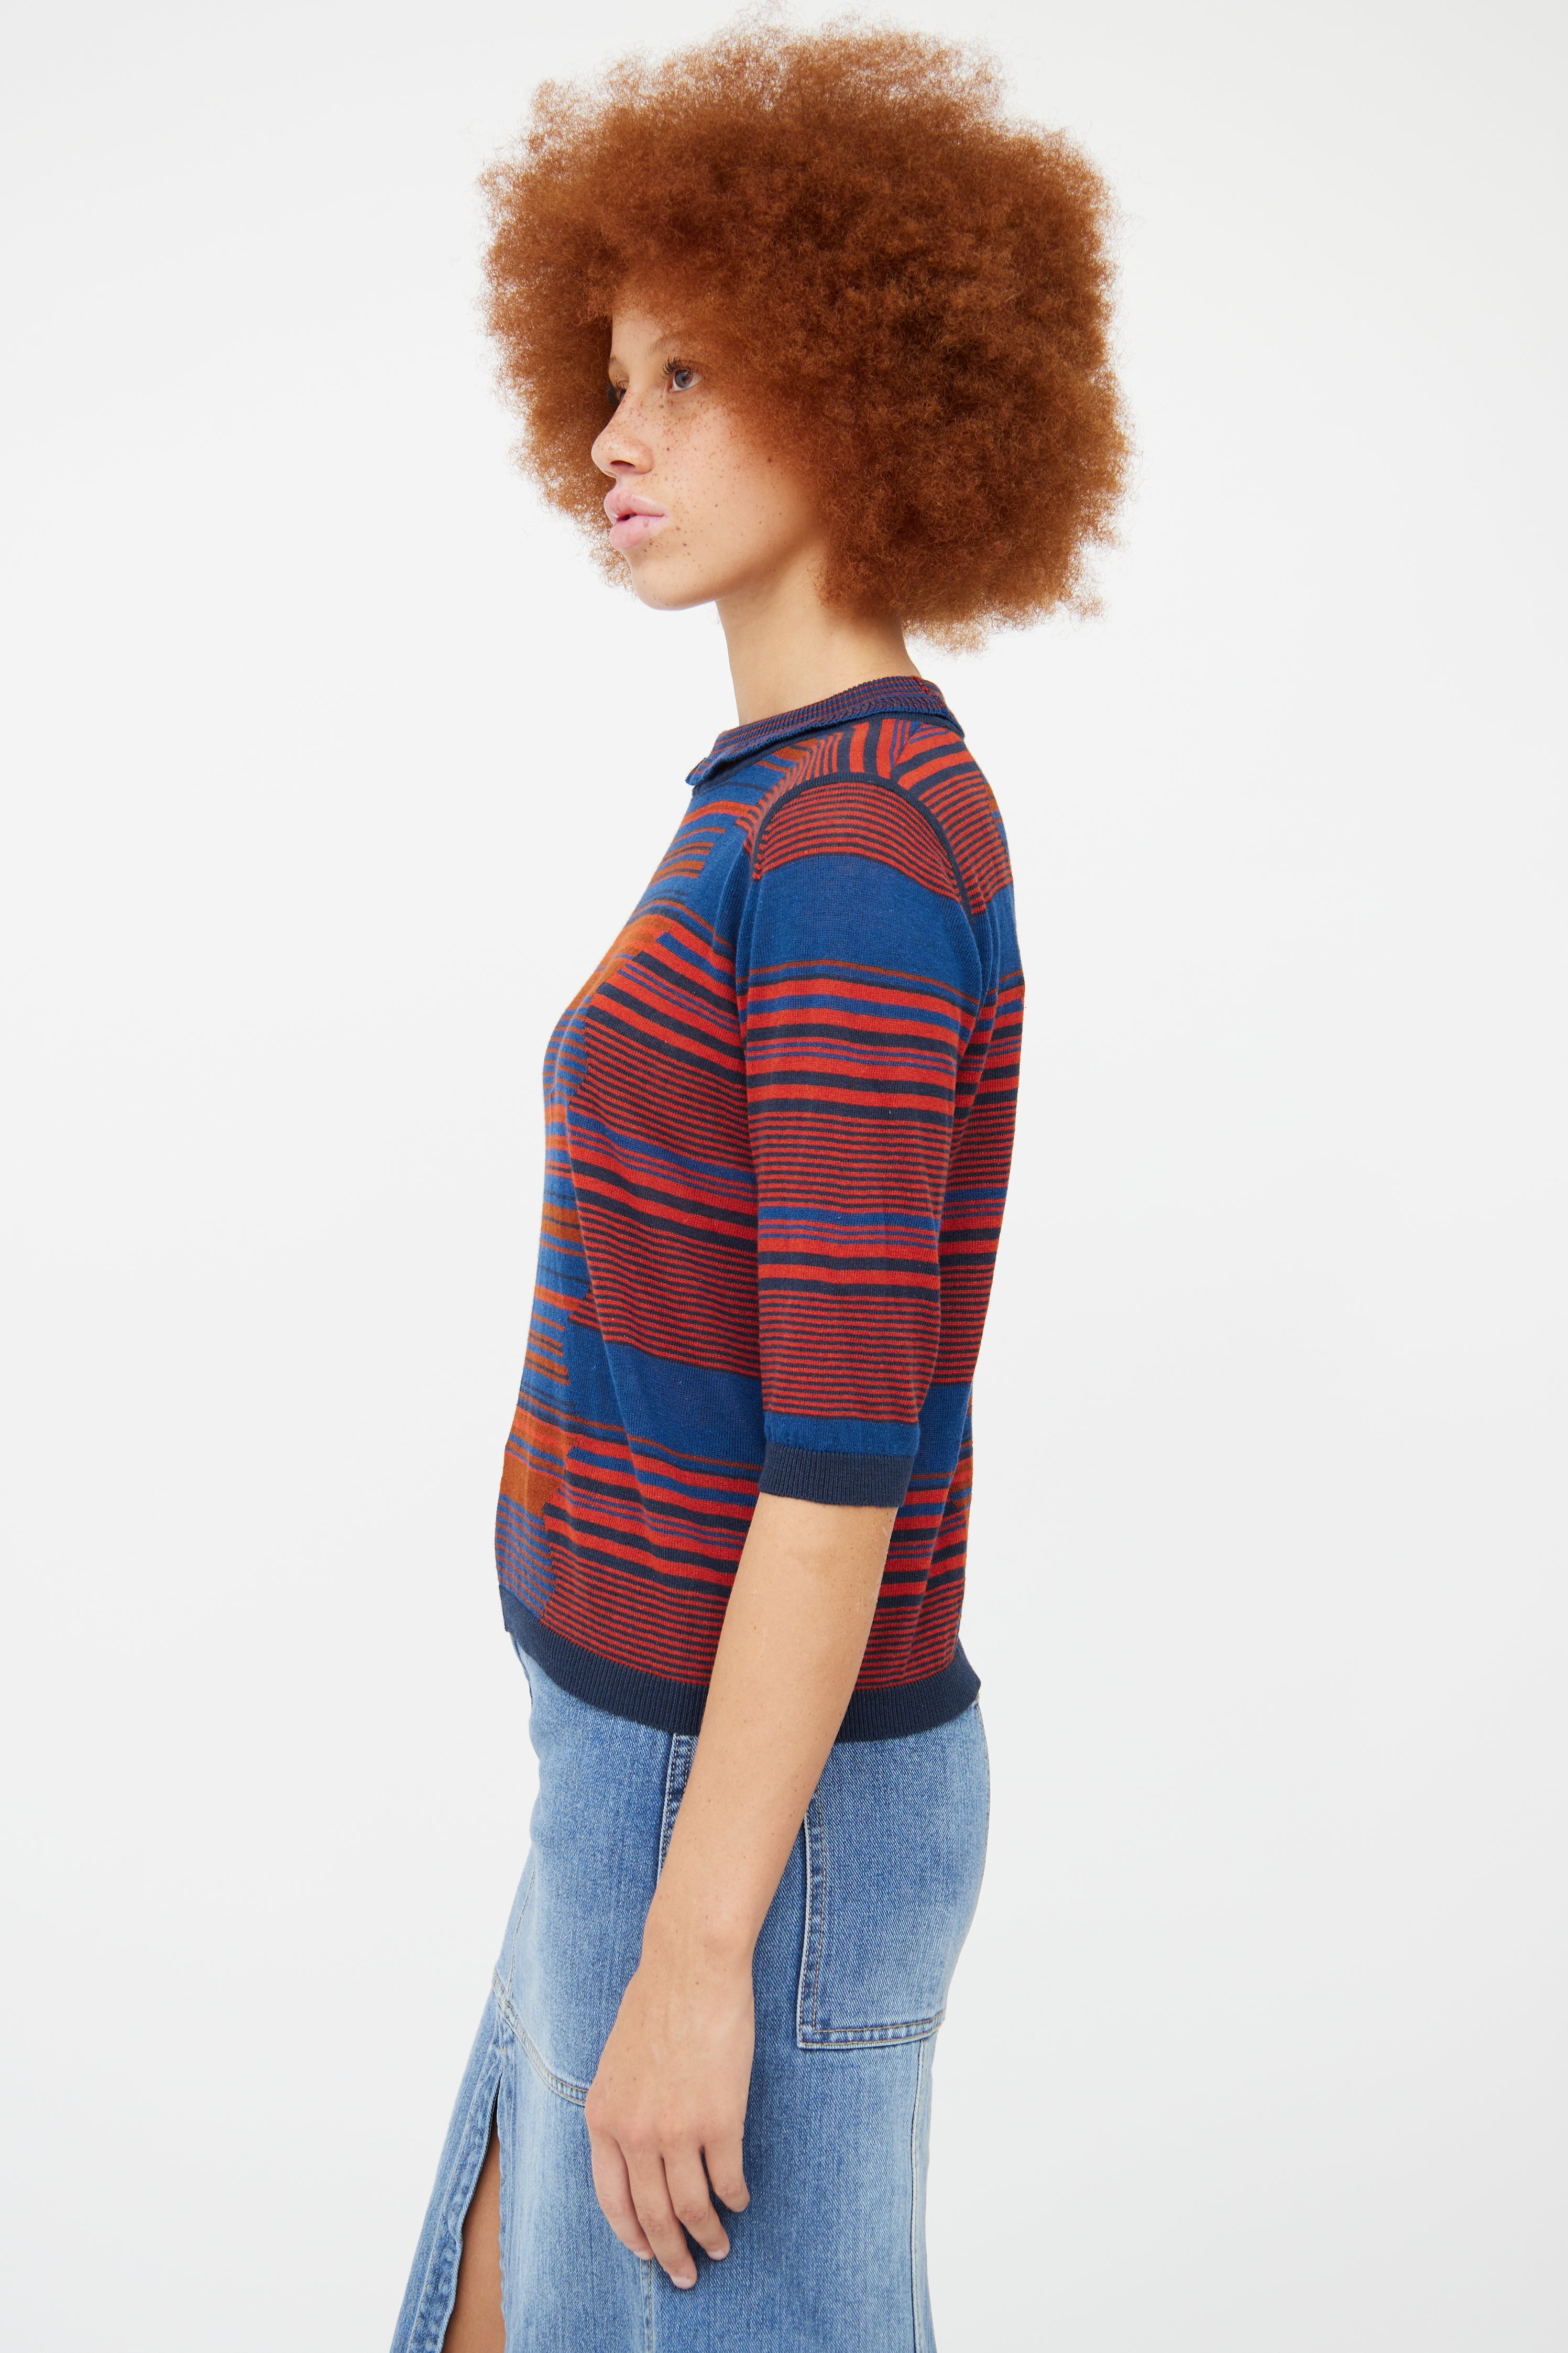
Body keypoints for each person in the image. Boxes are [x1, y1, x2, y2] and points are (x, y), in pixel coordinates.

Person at [391, 23, 1125, 2350]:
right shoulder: (787, 797)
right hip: (643, 1765)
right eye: (609, 378)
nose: (615, 435)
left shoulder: (849, 845)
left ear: (871, 382)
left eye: (690, 373)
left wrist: (701, 1947)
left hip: (745, 1813)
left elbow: (838, 1458)